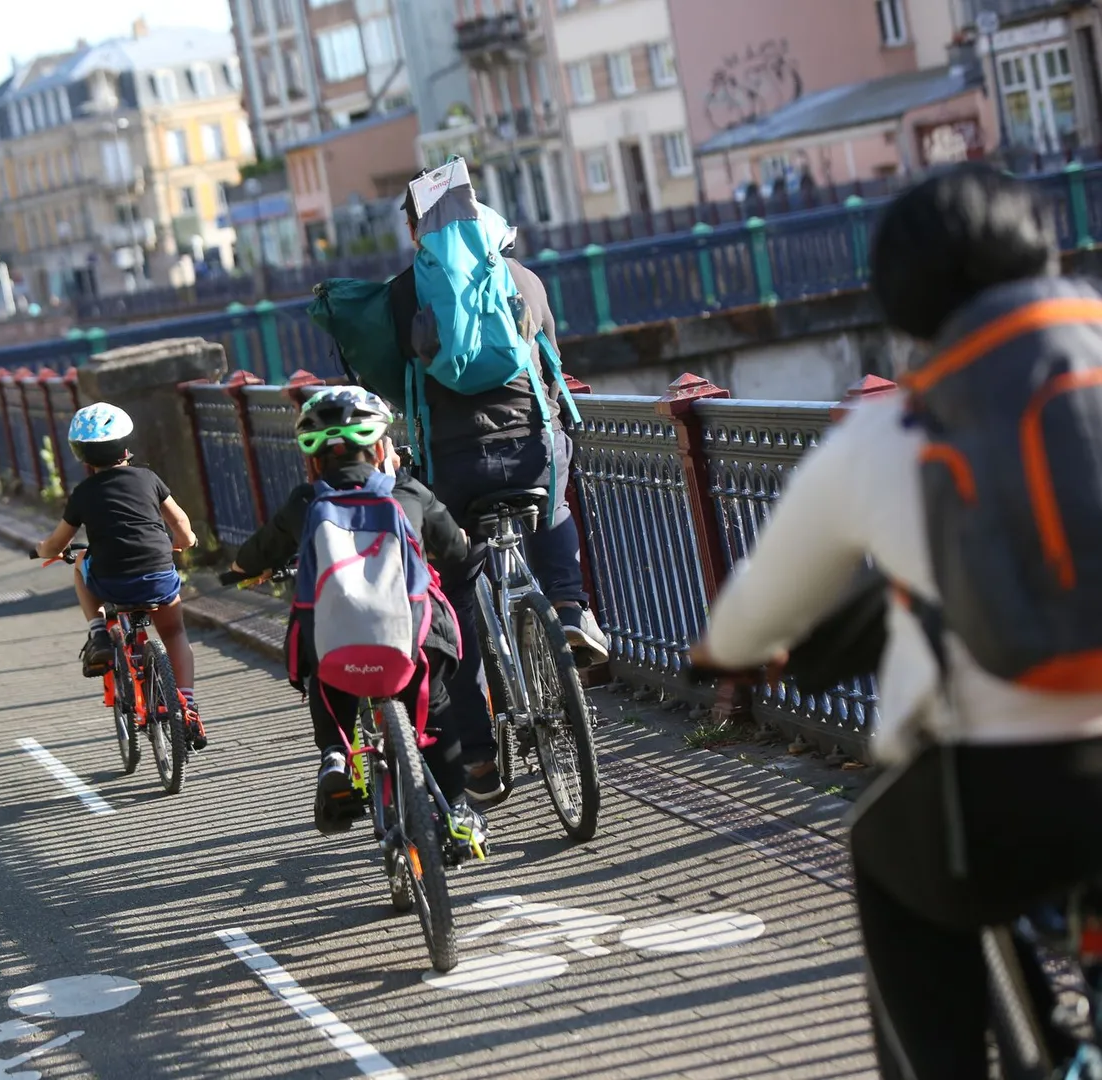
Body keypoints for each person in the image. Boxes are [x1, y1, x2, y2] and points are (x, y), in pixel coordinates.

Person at [687, 164, 1102, 1080]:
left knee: (881, 854)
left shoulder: (891, 433)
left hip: (996, 796)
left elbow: (761, 607)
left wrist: (721, 650)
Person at [389, 171, 610, 805]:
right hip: (531, 455)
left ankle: (480, 760)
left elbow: (384, 382)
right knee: (556, 501)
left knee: (455, 599)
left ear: (415, 229)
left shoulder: (405, 295)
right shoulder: (522, 279)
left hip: (453, 473)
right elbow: (549, 362)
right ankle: (567, 610)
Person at [228, 386, 485, 847]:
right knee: (437, 702)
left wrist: (239, 570)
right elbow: (454, 547)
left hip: (337, 647)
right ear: (382, 449)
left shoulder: (306, 503)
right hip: (411, 643)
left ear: (312, 460)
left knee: (324, 676)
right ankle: (459, 813)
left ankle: (335, 756)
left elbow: (254, 555)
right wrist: (461, 542)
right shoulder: (408, 491)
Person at [34, 402, 206, 750]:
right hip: (158, 576)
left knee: (83, 562)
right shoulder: (149, 478)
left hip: (111, 581)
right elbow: (182, 525)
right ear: (127, 446)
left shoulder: (83, 494)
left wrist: (44, 551)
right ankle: (185, 704)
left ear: (83, 457)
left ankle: (98, 631)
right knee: (174, 632)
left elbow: (57, 543)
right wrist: (183, 543)